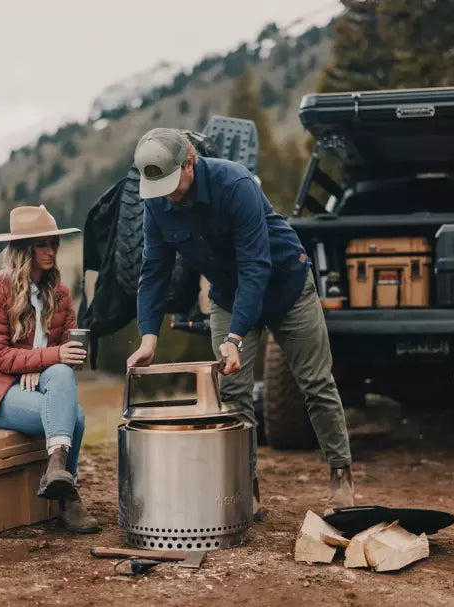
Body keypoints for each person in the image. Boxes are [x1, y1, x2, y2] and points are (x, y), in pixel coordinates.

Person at [126, 128, 354, 515]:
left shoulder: (234, 183)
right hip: (229, 295)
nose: (166, 194)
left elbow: (255, 264)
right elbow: (154, 270)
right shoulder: (157, 203)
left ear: (190, 163)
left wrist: (235, 336)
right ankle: (245, 489)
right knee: (233, 395)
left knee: (315, 383)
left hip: (286, 286)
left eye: (170, 183)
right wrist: (148, 336)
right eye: (157, 187)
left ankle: (340, 475)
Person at [0, 204, 99, 533]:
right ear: (23, 249)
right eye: (42, 244)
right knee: (74, 417)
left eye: (53, 243)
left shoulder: (60, 294)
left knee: (63, 375)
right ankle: (67, 497)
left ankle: (56, 473)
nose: (50, 251)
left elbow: (65, 357)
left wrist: (59, 358)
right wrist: (47, 358)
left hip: (40, 386)